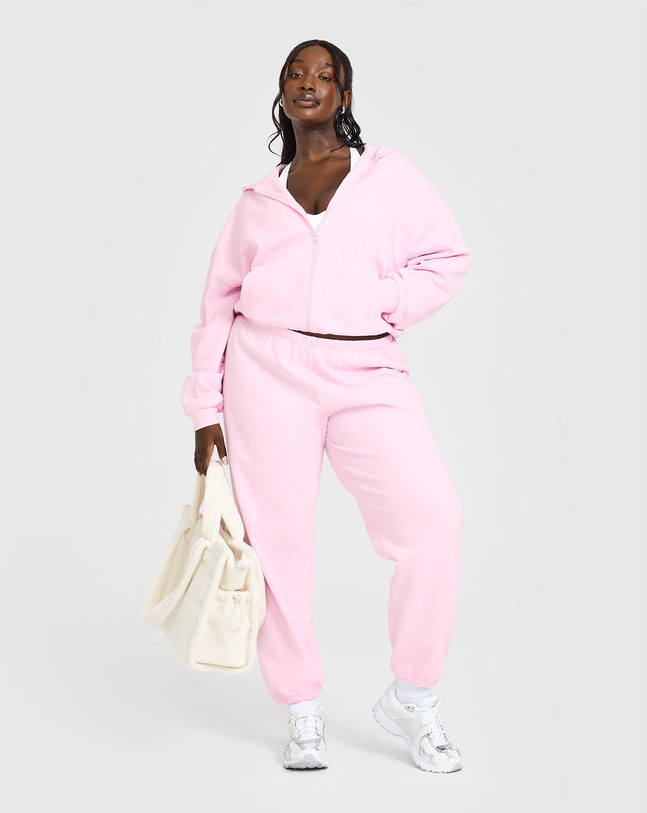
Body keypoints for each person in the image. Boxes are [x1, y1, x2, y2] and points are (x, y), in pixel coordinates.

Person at [181, 39, 472, 774]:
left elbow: (447, 259)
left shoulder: (389, 176)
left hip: (366, 367)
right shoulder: (258, 199)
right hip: (265, 371)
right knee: (278, 543)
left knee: (433, 520)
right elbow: (217, 303)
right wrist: (204, 405)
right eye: (295, 72)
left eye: (325, 74)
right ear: (282, 92)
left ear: (345, 95)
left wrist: (380, 299)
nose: (308, 82)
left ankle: (414, 695)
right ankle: (300, 706)